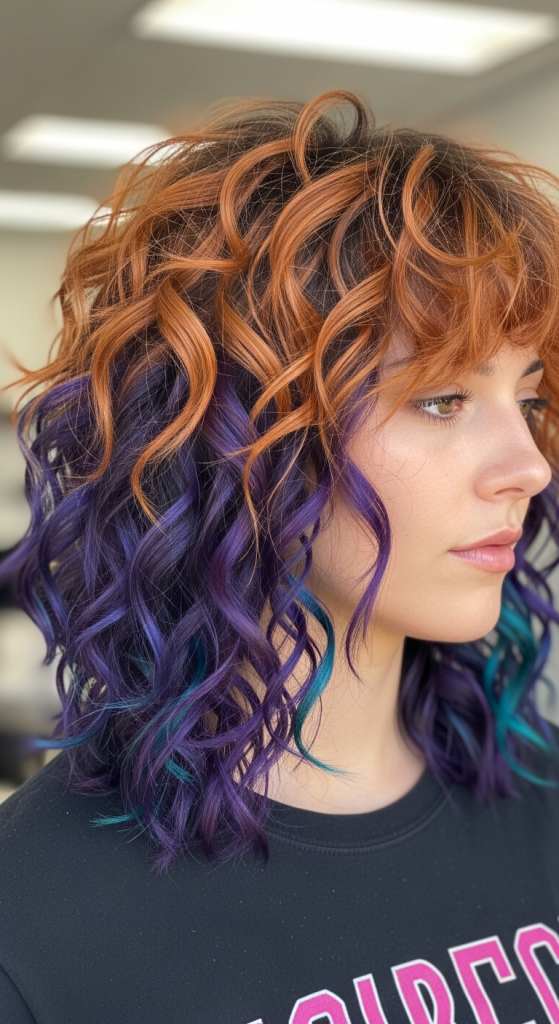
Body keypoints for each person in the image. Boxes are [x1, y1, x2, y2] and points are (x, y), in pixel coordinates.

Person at [1, 89, 559, 1024]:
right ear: (240, 438)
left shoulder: (540, 802)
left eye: (528, 399)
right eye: (441, 398)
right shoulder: (32, 926)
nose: (529, 467)